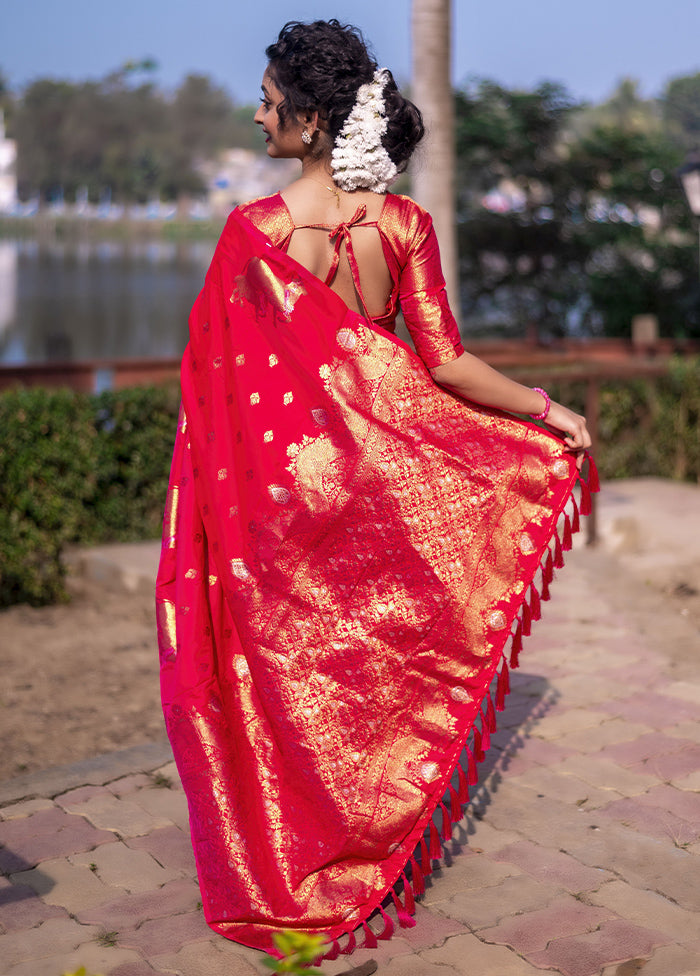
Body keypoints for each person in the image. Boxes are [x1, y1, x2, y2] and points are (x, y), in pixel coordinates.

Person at [156, 19, 594, 959]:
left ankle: (292, 856)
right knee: (367, 666)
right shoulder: (400, 227)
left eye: (270, 100)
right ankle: (367, 834)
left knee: (281, 675)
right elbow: (449, 366)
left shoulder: (254, 235)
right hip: (374, 489)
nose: (257, 111)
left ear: (312, 121)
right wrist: (545, 411)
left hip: (277, 502)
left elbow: (215, 390)